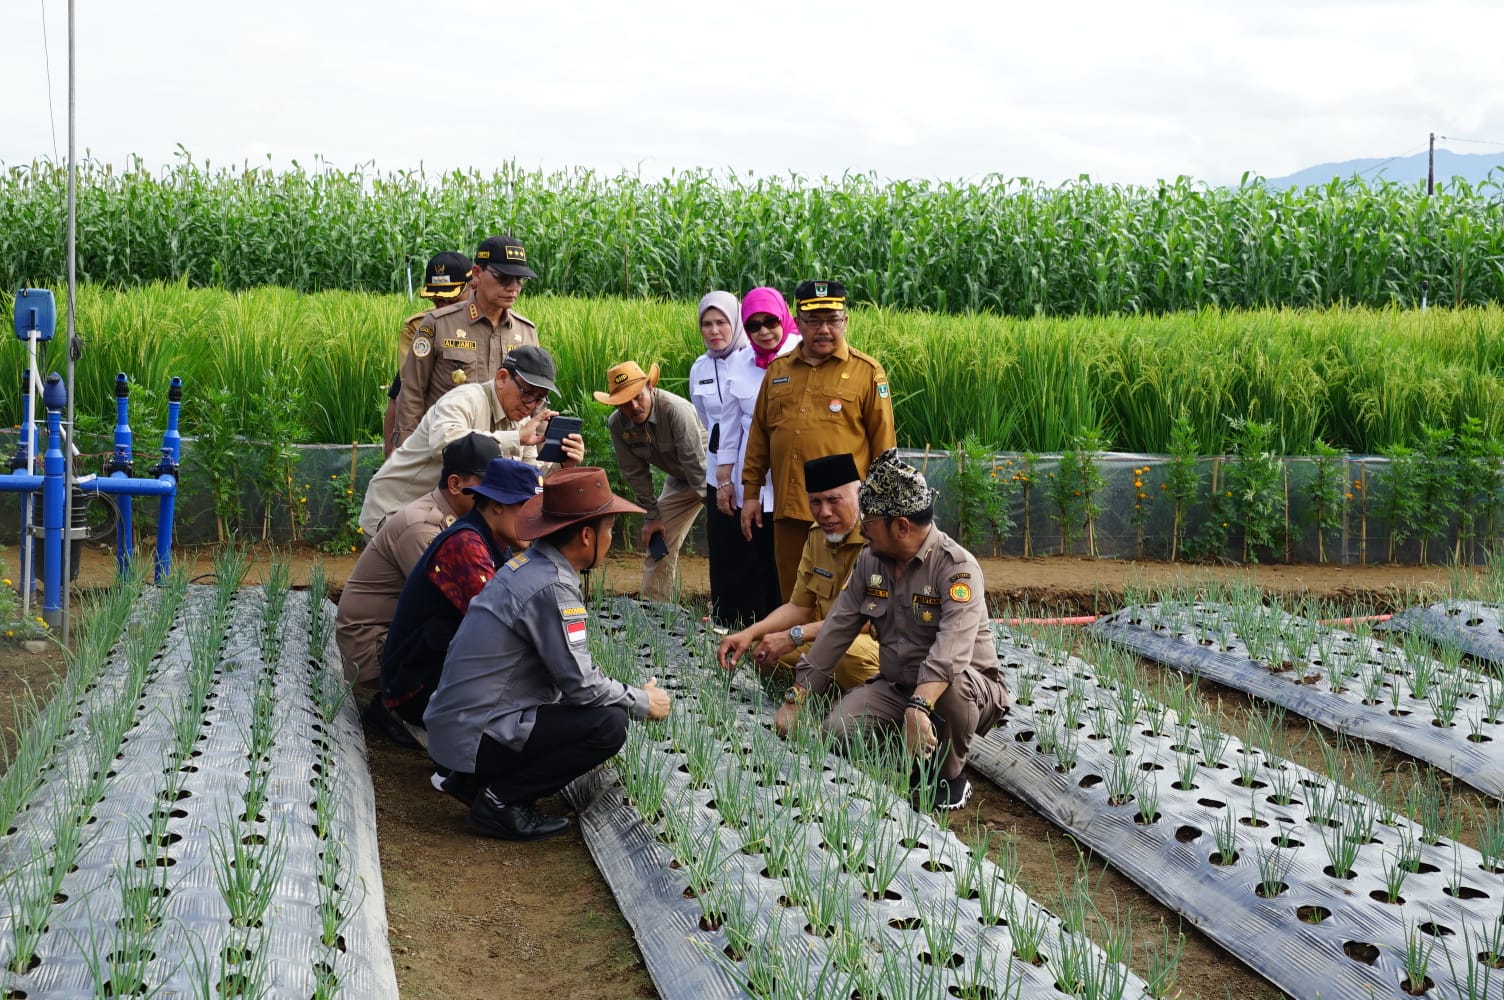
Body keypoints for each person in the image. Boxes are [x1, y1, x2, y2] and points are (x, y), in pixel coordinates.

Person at [424, 467, 673, 841]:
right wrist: (642, 700)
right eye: (609, 529)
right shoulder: (552, 586)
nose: (610, 538)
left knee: (591, 712)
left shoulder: (529, 564)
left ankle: (473, 782)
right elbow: (582, 687)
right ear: (587, 535)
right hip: (475, 736)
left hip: (460, 728)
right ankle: (500, 801)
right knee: (609, 725)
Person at [774, 449, 1012, 811]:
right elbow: (837, 629)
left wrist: (918, 706)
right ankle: (907, 757)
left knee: (954, 687)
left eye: (869, 524)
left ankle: (949, 775)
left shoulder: (956, 568)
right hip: (897, 684)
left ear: (900, 526)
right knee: (837, 733)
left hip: (960, 686)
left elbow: (951, 652)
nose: (863, 530)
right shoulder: (871, 561)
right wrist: (797, 697)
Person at [740, 279, 896, 601]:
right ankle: (796, 651)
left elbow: (884, 447)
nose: (823, 329)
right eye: (814, 321)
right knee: (794, 595)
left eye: (832, 320)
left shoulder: (866, 372)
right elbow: (759, 436)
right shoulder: (778, 371)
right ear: (798, 323)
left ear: (845, 321)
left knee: (847, 598)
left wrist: (881, 509)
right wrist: (751, 493)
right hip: (790, 509)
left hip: (847, 514)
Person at [378, 457, 542, 748]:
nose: (536, 521)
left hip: (429, 675)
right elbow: (505, 625)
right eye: (528, 509)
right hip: (415, 689)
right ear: (497, 504)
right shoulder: (466, 545)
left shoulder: (489, 540)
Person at [360, 345, 582, 537]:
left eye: (540, 399)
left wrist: (561, 466)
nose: (531, 405)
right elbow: (444, 444)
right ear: (502, 378)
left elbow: (530, 481)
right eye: (527, 393)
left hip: (438, 519)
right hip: (395, 511)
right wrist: (514, 438)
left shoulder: (520, 422)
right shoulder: (465, 399)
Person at [336, 432, 500, 686]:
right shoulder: (423, 528)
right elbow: (456, 603)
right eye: (488, 485)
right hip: (372, 651)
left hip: (394, 638)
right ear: (456, 484)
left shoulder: (457, 522)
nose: (496, 495)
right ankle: (392, 710)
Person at [716, 453, 878, 690]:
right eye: (815, 502)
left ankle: (876, 702)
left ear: (859, 494)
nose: (824, 512)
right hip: (825, 637)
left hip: (878, 643)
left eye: (834, 500)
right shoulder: (816, 536)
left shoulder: (878, 540)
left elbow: (864, 620)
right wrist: (749, 633)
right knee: (761, 649)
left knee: (845, 657)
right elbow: (799, 607)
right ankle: (819, 688)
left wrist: (794, 636)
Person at [391, 234, 539, 448]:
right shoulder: (438, 324)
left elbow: (537, 401)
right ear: (477, 274)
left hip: (505, 456)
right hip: (448, 455)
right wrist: (406, 455)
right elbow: (412, 395)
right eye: (504, 277)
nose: (513, 287)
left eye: (519, 280)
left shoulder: (526, 332)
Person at [714, 285, 802, 625]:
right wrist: (725, 482)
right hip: (758, 488)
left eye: (770, 322)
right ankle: (768, 640)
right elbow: (730, 429)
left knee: (803, 564)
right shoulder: (740, 365)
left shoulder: (804, 356)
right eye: (753, 325)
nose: (764, 331)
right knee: (764, 562)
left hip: (800, 484)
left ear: (784, 318)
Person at [596, 360, 708, 602]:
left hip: (711, 476)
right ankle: (655, 611)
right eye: (625, 402)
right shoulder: (617, 424)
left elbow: (696, 466)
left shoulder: (675, 409)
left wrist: (720, 518)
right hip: (680, 479)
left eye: (638, 396)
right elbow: (635, 472)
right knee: (660, 541)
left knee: (731, 537)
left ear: (650, 388)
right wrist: (652, 516)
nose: (634, 406)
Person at [688, 291, 758, 625]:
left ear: (736, 323)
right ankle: (724, 620)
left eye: (721, 322)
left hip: (754, 471)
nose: (714, 330)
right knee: (723, 545)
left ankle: (756, 620)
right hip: (718, 472)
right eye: (707, 324)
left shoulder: (752, 361)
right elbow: (706, 420)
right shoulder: (699, 368)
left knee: (752, 547)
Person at [384, 251, 472, 456]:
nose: (441, 305)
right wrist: (392, 454)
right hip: (429, 437)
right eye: (436, 299)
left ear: (473, 286)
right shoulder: (420, 328)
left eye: (450, 298)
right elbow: (402, 392)